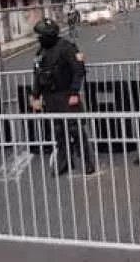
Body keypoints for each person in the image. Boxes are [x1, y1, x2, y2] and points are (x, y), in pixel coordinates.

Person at [30, 18, 95, 176]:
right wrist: (35, 96)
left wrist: (74, 92)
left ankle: (87, 162)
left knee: (75, 129)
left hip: (66, 95)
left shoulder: (66, 47)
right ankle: (64, 162)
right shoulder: (41, 52)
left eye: (40, 35)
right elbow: (37, 75)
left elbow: (79, 70)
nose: (38, 39)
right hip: (50, 97)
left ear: (49, 35)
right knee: (59, 131)